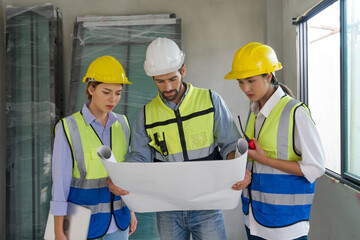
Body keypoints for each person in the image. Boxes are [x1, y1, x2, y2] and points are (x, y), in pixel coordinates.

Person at [108, 37, 251, 240]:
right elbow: (140, 158)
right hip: (167, 208)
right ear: (153, 79)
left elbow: (230, 144)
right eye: (160, 81)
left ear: (183, 71)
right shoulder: (146, 115)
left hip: (206, 205)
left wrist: (237, 169)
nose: (167, 87)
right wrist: (121, 178)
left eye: (172, 79)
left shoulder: (210, 101)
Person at [224, 42, 326, 240]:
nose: (245, 88)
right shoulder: (253, 111)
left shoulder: (296, 113)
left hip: (285, 226)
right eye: (240, 82)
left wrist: (265, 160)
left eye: (251, 81)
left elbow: (316, 168)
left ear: (268, 75)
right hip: (253, 219)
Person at [50, 56, 137, 240]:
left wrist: (132, 211)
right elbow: (60, 184)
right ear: (91, 88)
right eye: (106, 92)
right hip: (81, 225)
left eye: (118, 93)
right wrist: (58, 231)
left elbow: (126, 176)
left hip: (119, 223)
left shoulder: (123, 124)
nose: (113, 99)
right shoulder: (68, 127)